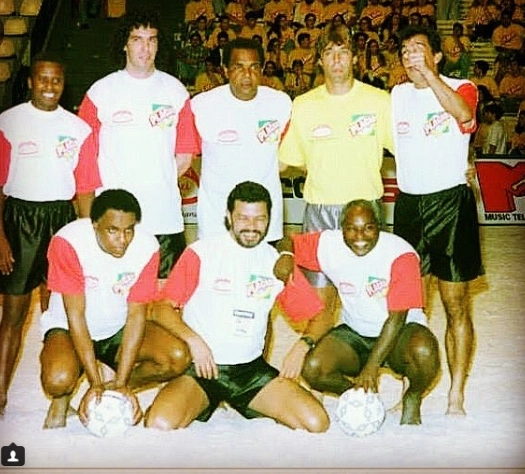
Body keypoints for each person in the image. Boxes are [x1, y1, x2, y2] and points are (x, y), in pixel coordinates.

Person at [143, 181, 329, 432]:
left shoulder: (276, 263)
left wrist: (302, 345)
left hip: (249, 371)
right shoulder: (202, 253)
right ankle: (199, 398)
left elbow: (321, 316)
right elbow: (161, 308)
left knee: (316, 423)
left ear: (269, 219)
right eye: (243, 217)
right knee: (159, 424)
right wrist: (194, 342)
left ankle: (247, 402)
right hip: (203, 368)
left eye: (259, 219)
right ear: (228, 217)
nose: (251, 226)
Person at [278, 28, 393, 360]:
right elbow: (284, 162)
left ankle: (370, 369)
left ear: (355, 58)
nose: (337, 59)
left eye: (343, 52)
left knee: (372, 295)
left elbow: (410, 147)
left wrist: (463, 159)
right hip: (319, 210)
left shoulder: (379, 100)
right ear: (319, 61)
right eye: (330, 53)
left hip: (364, 212)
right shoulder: (303, 105)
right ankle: (321, 367)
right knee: (319, 299)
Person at [276, 200, 440, 425]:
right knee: (313, 368)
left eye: (368, 228)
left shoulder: (401, 254)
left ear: (379, 226)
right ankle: (358, 394)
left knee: (425, 352)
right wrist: (286, 254)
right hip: (356, 332)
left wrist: (372, 367)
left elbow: (397, 318)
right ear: (341, 227)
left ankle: (412, 395)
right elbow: (287, 241)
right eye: (351, 228)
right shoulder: (328, 244)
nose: (359, 236)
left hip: (400, 334)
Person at [39, 189, 191, 429]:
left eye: (129, 229)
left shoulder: (147, 246)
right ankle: (64, 398)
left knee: (176, 357)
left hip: (116, 329)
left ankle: (114, 390)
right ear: (95, 224)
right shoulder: (68, 242)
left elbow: (136, 317)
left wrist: (121, 383)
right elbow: (76, 317)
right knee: (57, 380)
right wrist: (94, 383)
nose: (122, 239)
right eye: (113, 230)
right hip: (70, 329)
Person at [0, 52, 99, 416]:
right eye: (42, 79)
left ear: (63, 83)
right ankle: (0, 394)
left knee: (57, 311)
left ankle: (59, 393)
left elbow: (85, 187)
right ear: (29, 82)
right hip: (19, 218)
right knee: (12, 314)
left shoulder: (78, 129)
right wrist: (1, 237)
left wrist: (87, 238)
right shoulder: (8, 123)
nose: (49, 86)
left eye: (56, 80)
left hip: (62, 218)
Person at [391, 25, 483, 416]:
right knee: (410, 307)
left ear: (438, 55)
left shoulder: (463, 86)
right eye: (404, 49)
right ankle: (412, 389)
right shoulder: (395, 95)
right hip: (409, 205)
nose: (410, 54)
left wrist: (429, 76)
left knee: (456, 304)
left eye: (419, 48)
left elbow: (464, 116)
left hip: (451, 203)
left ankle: (456, 393)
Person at [77, 9, 199, 279]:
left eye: (152, 40)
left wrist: (155, 179)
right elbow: (84, 160)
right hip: (115, 218)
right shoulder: (100, 93)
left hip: (163, 215)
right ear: (124, 43)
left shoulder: (176, 91)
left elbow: (185, 157)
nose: (145, 48)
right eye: (137, 39)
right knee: (114, 296)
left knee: (162, 301)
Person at [189, 38, 292, 242]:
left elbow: (284, 162)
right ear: (225, 70)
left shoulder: (280, 103)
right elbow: (185, 157)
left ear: (262, 69)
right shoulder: (201, 106)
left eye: (254, 67)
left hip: (265, 222)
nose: (247, 75)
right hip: (216, 222)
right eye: (239, 67)